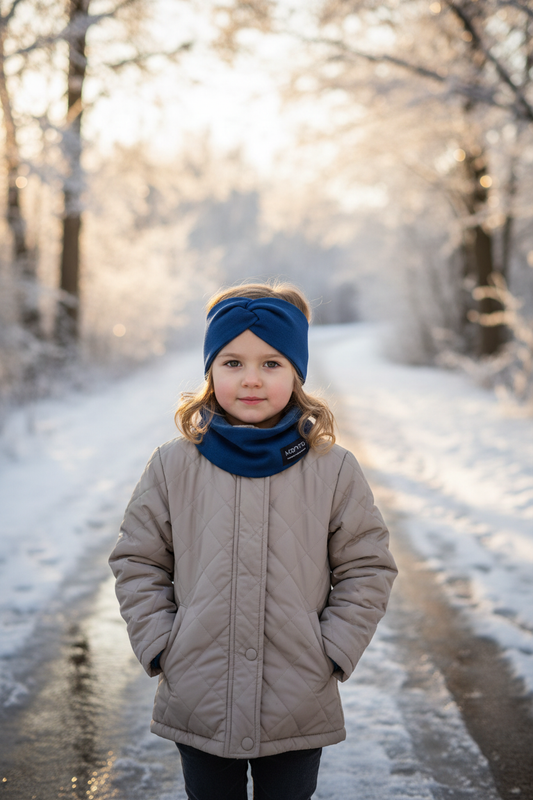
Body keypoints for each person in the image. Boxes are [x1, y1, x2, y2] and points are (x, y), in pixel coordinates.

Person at [109, 281, 397, 800]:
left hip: (298, 694)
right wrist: (162, 645)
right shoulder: (173, 465)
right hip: (199, 691)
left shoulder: (333, 469)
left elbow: (367, 567)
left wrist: (330, 651)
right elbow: (138, 560)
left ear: (297, 374)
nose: (251, 380)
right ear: (210, 372)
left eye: (271, 364)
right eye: (232, 362)